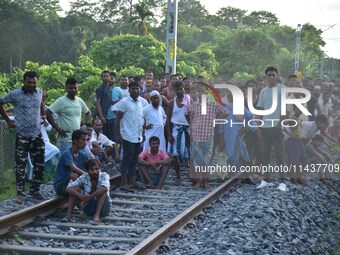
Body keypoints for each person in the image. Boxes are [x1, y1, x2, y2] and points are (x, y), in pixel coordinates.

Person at [0, 71, 46, 204]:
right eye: (29, 82)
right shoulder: (15, 94)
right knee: (21, 165)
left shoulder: (39, 92)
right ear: (23, 81)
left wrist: (43, 114)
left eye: (34, 82)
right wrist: (8, 120)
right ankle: (20, 193)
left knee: (39, 163)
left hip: (37, 134)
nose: (32, 85)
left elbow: (41, 102)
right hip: (22, 135)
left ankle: (35, 190)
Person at [256, 67, 286, 190]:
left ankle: (282, 182)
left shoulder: (282, 88)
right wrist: (258, 126)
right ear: (266, 77)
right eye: (269, 75)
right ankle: (266, 179)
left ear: (277, 76)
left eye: (273, 75)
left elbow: (285, 108)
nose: (271, 77)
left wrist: (282, 123)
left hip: (277, 125)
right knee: (265, 154)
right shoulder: (263, 91)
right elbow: (260, 109)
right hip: (265, 126)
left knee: (280, 153)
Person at [46, 77, 91, 155]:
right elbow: (47, 113)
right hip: (65, 139)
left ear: (78, 88)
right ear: (66, 88)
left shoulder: (79, 101)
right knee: (66, 161)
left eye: (75, 88)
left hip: (78, 138)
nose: (73, 90)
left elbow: (88, 113)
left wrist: (82, 124)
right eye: (70, 88)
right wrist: (58, 129)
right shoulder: (61, 101)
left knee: (89, 157)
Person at [114, 81, 144, 191]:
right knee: (126, 159)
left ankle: (132, 181)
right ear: (129, 90)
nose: (135, 90)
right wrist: (118, 135)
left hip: (137, 136)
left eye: (137, 88)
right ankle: (123, 182)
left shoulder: (140, 103)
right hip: (127, 136)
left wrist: (142, 133)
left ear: (140, 90)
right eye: (133, 89)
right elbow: (117, 119)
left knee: (134, 160)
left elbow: (140, 119)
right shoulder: (124, 102)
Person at [65, 159, 111, 224]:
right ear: (87, 171)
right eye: (92, 169)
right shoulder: (84, 177)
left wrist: (88, 198)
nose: (95, 171)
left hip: (103, 209)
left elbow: (105, 188)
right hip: (89, 209)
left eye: (97, 169)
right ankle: (68, 216)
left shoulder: (104, 175)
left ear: (100, 168)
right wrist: (81, 196)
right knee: (75, 188)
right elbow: (68, 188)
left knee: (102, 190)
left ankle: (96, 216)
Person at [54, 130, 92, 196]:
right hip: (61, 186)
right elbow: (73, 168)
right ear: (75, 140)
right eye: (83, 140)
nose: (85, 143)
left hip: (73, 185)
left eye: (86, 140)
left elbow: (90, 166)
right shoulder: (67, 154)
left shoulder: (83, 155)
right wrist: (88, 176)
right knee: (74, 175)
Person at [166, 81, 190, 185]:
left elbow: (193, 115)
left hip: (187, 130)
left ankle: (192, 175)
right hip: (176, 129)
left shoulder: (189, 100)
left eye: (181, 89)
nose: (180, 91)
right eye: (177, 89)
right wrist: (169, 134)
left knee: (190, 153)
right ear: (174, 91)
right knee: (174, 153)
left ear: (184, 89)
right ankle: (178, 175)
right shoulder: (171, 102)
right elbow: (167, 119)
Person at [95, 70, 113, 139]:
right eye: (104, 76)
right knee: (100, 135)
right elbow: (98, 103)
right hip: (101, 115)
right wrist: (101, 116)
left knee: (109, 136)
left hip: (109, 115)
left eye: (107, 76)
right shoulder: (99, 89)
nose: (106, 78)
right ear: (101, 78)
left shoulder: (110, 88)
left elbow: (110, 101)